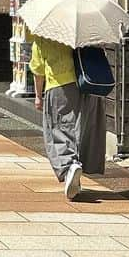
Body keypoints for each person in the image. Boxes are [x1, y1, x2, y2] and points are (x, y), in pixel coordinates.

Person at [30, 34, 104, 200]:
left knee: (59, 130)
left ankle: (69, 166)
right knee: (84, 128)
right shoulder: (86, 31)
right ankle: (76, 175)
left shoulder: (44, 36)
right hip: (89, 85)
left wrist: (38, 96)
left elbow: (38, 69)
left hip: (60, 86)